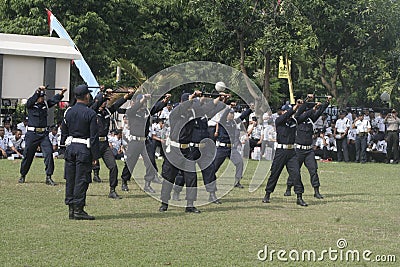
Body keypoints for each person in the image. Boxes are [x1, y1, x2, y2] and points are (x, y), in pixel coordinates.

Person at [159, 91, 227, 213]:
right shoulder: (175, 113)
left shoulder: (193, 114)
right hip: (174, 150)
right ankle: (164, 203)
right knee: (169, 177)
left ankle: (190, 205)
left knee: (191, 178)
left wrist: (217, 98)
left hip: (187, 150)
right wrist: (192, 97)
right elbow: (183, 107)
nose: (191, 107)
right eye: (189, 104)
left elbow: (207, 109)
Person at [60, 84, 100, 220]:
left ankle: (71, 208)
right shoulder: (90, 113)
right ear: (86, 96)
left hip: (70, 148)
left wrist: (63, 148)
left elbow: (63, 131)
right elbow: (94, 137)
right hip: (84, 149)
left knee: (70, 179)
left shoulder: (68, 112)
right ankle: (78, 209)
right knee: (81, 180)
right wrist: (95, 156)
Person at [120, 93, 171, 193]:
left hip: (145, 141)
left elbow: (156, 108)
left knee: (151, 162)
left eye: (145, 102)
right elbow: (135, 107)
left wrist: (164, 100)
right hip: (134, 141)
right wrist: (142, 100)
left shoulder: (146, 112)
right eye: (143, 102)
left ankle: (147, 184)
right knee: (130, 163)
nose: (144, 104)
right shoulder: (131, 112)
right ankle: (124, 180)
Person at [283, 96, 332, 199]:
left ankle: (316, 191)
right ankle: (288, 188)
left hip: (309, 150)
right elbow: (300, 110)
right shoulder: (297, 119)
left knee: (313, 170)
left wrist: (326, 102)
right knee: (295, 171)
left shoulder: (310, 120)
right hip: (298, 150)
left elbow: (319, 111)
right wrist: (307, 100)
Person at [91, 88, 135, 198]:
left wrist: (127, 96)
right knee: (85, 169)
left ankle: (112, 190)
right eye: (103, 100)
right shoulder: (92, 112)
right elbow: (95, 106)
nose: (105, 102)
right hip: (93, 144)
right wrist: (104, 94)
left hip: (104, 144)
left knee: (113, 166)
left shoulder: (107, 111)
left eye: (106, 101)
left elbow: (116, 105)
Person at [262, 100, 307, 206]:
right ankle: (267, 194)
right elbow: (287, 114)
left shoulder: (294, 121)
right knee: (275, 173)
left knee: (296, 174)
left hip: (292, 151)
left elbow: (305, 114)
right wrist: (295, 107)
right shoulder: (279, 121)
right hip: (281, 151)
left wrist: (305, 102)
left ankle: (299, 196)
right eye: (285, 111)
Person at [18, 86, 67, 185]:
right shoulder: (31, 105)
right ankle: (23, 175)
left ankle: (48, 176)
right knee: (28, 155)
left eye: (43, 97)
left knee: (49, 153)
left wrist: (61, 93)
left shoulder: (44, 105)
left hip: (43, 134)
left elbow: (53, 101)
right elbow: (30, 101)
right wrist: (38, 91)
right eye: (41, 97)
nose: (42, 99)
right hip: (32, 134)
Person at [213, 106, 252, 189]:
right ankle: (210, 181)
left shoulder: (233, 122)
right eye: (230, 114)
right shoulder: (222, 122)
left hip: (231, 148)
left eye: (233, 114)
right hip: (222, 148)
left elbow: (242, 116)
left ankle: (237, 181)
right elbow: (223, 116)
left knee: (239, 162)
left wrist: (250, 109)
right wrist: (228, 107)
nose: (232, 115)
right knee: (215, 166)